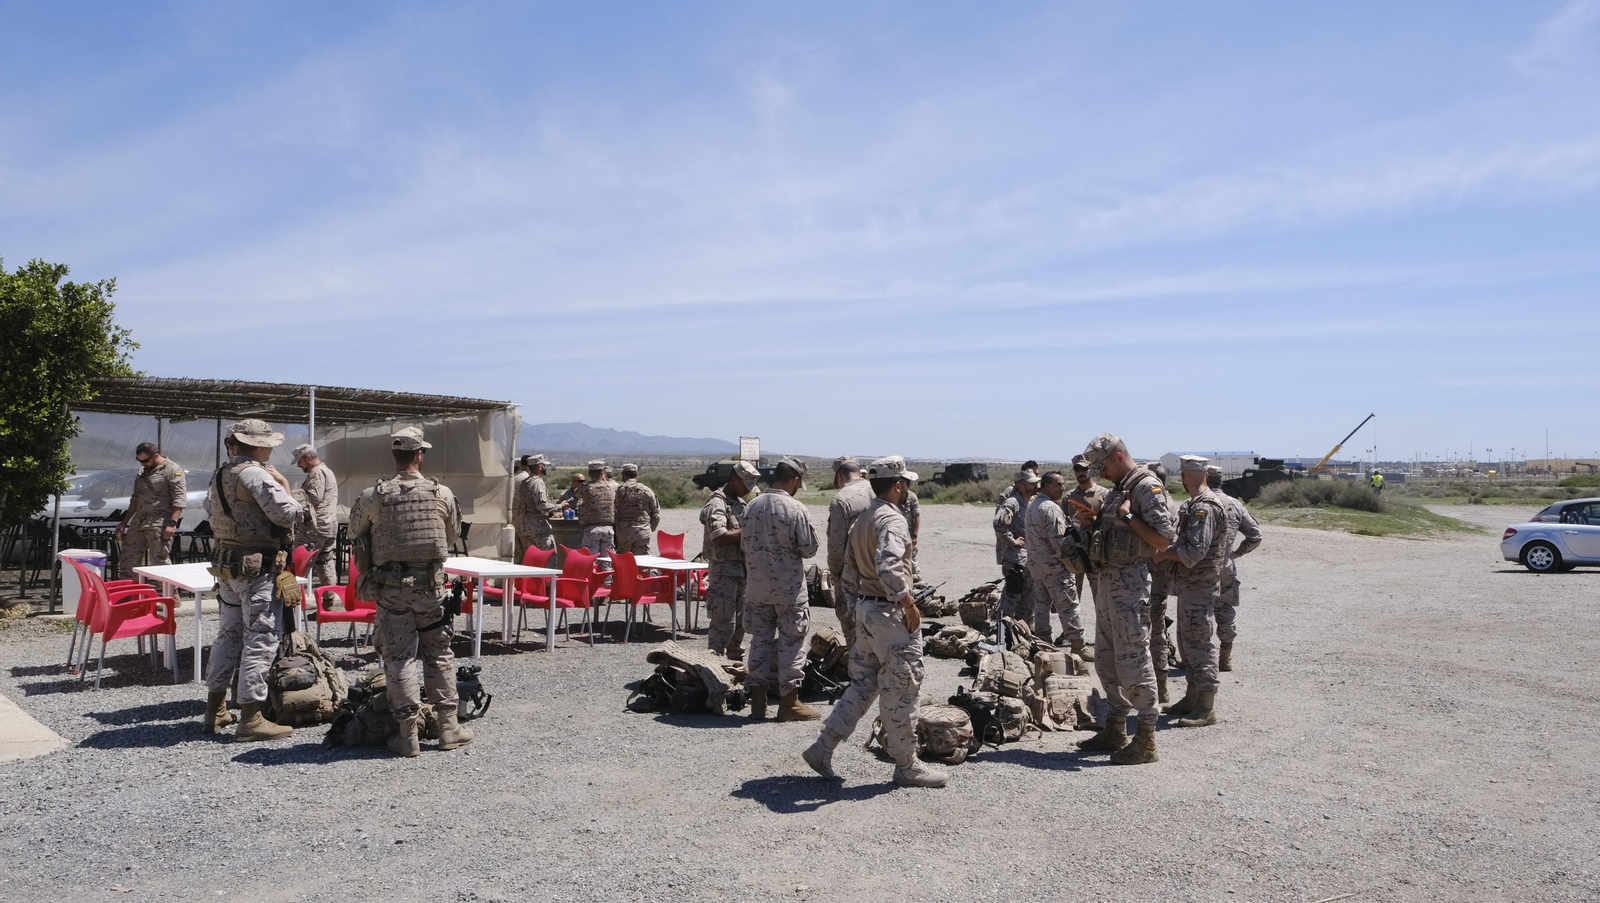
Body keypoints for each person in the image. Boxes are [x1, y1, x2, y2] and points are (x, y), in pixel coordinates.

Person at [803, 456, 945, 788]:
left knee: (863, 684)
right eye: (906, 484)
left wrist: (856, 611)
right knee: (902, 688)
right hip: (890, 614)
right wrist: (908, 603)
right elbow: (889, 568)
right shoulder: (892, 521)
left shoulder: (863, 519)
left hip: (867, 610)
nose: (907, 488)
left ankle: (823, 747)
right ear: (898, 486)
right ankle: (907, 765)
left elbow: (848, 574)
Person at [348, 426, 472, 757]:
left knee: (400, 657)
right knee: (439, 653)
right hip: (430, 588)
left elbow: (356, 533)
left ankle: (408, 735)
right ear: (420, 455)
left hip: (390, 590)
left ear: (396, 456)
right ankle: (448, 728)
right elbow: (449, 537)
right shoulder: (442, 493)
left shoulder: (372, 495)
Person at [1071, 432, 1176, 766]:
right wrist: (1092, 522)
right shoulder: (1120, 488)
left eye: (1102, 466)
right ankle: (1115, 728)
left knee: (1133, 657)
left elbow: (1162, 540)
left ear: (1118, 457)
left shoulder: (1146, 487)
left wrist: (1129, 517)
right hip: (1107, 580)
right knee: (1106, 657)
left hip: (1130, 583)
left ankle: (1146, 739)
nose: (1099, 473)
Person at [201, 421, 303, 741]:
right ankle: (251, 718)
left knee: (228, 635)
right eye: (269, 443)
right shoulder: (256, 474)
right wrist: (286, 487)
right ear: (258, 445)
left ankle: (215, 709)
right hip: (257, 571)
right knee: (260, 638)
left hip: (229, 568)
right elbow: (288, 514)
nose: (272, 448)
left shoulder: (220, 475)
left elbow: (210, 510)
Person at [740, 456, 820, 721]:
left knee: (759, 643)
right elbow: (809, 550)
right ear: (795, 480)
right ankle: (789, 703)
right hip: (788, 591)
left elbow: (744, 546)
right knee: (792, 645)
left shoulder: (751, 507)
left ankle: (758, 704)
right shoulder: (795, 508)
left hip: (758, 589)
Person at [1153, 456, 1229, 728]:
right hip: (1190, 586)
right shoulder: (1194, 503)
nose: (1182, 480)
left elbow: (1195, 551)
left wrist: (1164, 555)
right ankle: (1192, 696)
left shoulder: (1206, 507)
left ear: (1191, 475)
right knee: (1186, 642)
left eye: (1184, 475)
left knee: (1200, 642)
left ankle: (1206, 707)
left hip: (1200, 584)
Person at [1024, 471, 1093, 661]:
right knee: (1068, 606)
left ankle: (1042, 642)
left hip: (1037, 565)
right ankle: (1078, 646)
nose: (1063, 488)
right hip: (1055, 567)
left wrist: (1073, 523)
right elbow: (1061, 543)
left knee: (1041, 604)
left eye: (1063, 484)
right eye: (1058, 485)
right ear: (1046, 486)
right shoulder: (1050, 508)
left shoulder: (1033, 505)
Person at [702, 461, 758, 658]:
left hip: (742, 570)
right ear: (734, 480)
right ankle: (713, 664)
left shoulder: (741, 504)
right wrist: (748, 530)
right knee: (723, 622)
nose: (748, 490)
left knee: (743, 622)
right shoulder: (717, 503)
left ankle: (735, 662)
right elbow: (719, 536)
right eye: (745, 485)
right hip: (723, 571)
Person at [1208, 465, 1262, 672]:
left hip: (1199, 567)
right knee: (1225, 609)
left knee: (1198, 611)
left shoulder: (1197, 501)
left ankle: (1200, 658)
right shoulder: (1236, 505)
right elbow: (1255, 536)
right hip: (1226, 565)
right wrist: (1237, 553)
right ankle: (1225, 658)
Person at [115, 442, 187, 578]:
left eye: (146, 460)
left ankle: (171, 597)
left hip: (159, 521)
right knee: (128, 559)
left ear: (155, 456)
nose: (143, 464)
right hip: (139, 521)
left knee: (159, 561)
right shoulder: (142, 472)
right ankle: (129, 596)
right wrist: (124, 522)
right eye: (139, 461)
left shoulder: (172, 470)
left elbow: (179, 499)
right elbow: (135, 498)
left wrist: (172, 523)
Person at [1144, 461, 1182, 701]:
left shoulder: (1156, 504)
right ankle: (1161, 685)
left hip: (1154, 570)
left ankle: (1160, 687)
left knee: (1153, 624)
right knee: (1156, 621)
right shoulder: (1174, 503)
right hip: (1163, 571)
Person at [827, 455, 874, 647]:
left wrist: (836, 576)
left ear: (839, 477)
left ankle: (859, 673)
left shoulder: (841, 500)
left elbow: (836, 547)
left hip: (853, 575)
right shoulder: (877, 491)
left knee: (854, 632)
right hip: (879, 572)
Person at [1062, 455, 1107, 646]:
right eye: (1078, 470)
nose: (1081, 473)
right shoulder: (1069, 498)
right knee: (1072, 596)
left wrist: (1094, 520)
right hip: (1076, 555)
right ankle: (1072, 635)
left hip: (1097, 554)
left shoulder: (1104, 494)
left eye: (1084, 469)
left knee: (1102, 598)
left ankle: (1104, 636)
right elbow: (1063, 523)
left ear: (1091, 470)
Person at [291, 444, 339, 590]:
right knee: (325, 565)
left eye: (300, 461)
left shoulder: (316, 473)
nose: (299, 465)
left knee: (297, 567)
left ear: (309, 458)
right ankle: (329, 602)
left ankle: (294, 608)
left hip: (313, 528)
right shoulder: (327, 471)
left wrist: (289, 492)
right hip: (327, 527)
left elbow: (314, 497)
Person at [993, 470, 1038, 622]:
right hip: (1015, 559)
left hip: (1029, 558)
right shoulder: (1012, 503)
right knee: (1012, 595)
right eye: (1031, 483)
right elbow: (999, 524)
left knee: (1028, 597)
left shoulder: (1031, 502)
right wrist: (1012, 541)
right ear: (1021, 485)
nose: (1035, 485)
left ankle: (1021, 629)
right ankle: (1002, 628)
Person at [614, 463, 662, 555]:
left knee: (624, 560)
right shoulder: (646, 490)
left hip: (624, 533)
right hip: (642, 531)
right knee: (643, 561)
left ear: (623, 474)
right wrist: (650, 528)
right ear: (636, 474)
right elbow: (655, 512)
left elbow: (613, 509)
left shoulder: (618, 491)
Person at [517, 454, 560, 553]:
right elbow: (542, 505)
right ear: (540, 466)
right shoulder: (537, 482)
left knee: (531, 560)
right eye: (544, 465)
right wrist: (559, 506)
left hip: (526, 527)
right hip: (539, 529)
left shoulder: (525, 482)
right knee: (548, 559)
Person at [575, 460, 616, 554]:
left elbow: (577, 494)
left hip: (592, 529)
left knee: (591, 560)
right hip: (608, 528)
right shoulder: (610, 488)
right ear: (602, 473)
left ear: (589, 474)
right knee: (607, 561)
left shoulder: (585, 488)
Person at [511, 455, 532, 558]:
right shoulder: (527, 479)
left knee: (518, 552)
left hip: (513, 518)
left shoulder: (514, 478)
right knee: (528, 551)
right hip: (524, 519)